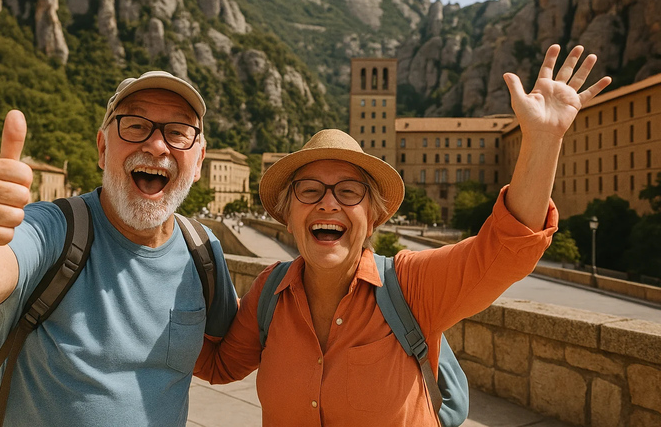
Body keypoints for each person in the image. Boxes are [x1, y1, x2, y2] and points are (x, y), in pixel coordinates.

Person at [194, 44, 611, 425]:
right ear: (287, 217)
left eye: (349, 191)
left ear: (373, 219)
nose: (328, 203)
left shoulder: (412, 286)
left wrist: (542, 140)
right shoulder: (269, 295)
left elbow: (504, 251)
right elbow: (218, 365)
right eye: (309, 190)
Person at [0, 71, 238, 426]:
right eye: (135, 126)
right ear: (103, 148)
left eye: (178, 132)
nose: (157, 145)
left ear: (199, 161)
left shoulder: (203, 252)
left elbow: (223, 355)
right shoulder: (54, 229)